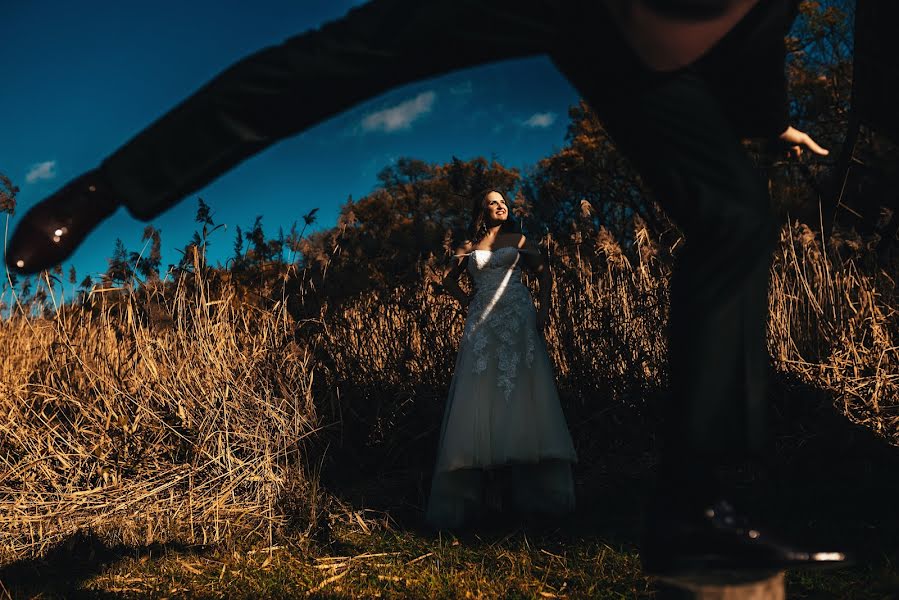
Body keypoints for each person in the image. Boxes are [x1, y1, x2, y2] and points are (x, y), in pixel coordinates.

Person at [5, 0, 848, 574]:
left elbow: (750, 49)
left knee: (733, 212)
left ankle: (699, 503)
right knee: (340, 59)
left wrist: (770, 122)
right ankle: (103, 187)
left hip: (644, 47)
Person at [426, 189, 577, 529]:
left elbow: (544, 275)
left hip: (518, 317)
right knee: (483, 391)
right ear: (482, 210)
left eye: (503, 202)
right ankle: (488, 498)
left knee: (521, 389)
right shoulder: (470, 246)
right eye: (492, 202)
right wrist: (470, 302)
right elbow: (448, 280)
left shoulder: (519, 238)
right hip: (483, 324)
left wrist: (543, 311)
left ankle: (523, 500)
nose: (500, 206)